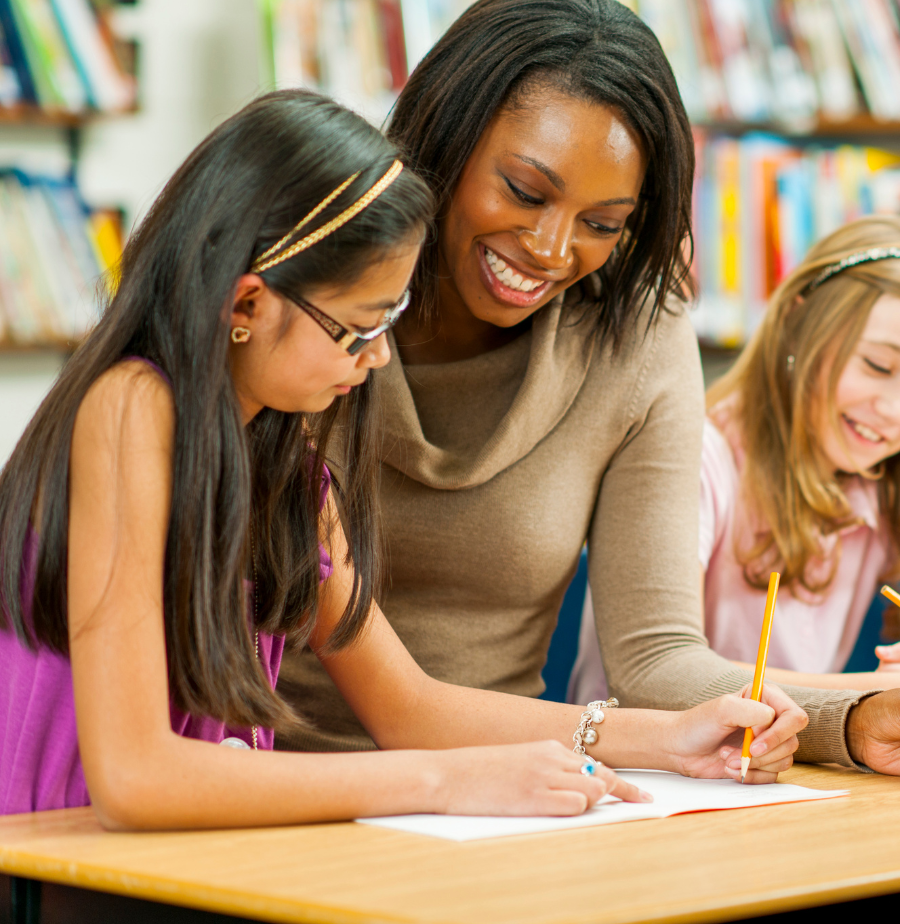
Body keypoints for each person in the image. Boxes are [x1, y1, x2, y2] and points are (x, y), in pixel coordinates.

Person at [0, 91, 816, 827]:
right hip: (61, 863)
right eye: (357, 328)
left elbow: (409, 706)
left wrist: (671, 740)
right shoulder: (132, 410)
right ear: (247, 303)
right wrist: (442, 783)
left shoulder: (289, 461)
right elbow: (137, 779)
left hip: (196, 865)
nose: (379, 359)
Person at [274, 0, 900, 780]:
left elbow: (659, 657)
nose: (550, 249)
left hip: (517, 788)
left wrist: (859, 721)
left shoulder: (634, 330)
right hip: (267, 778)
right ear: (445, 135)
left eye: (603, 222)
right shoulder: (302, 303)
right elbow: (399, 708)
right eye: (525, 191)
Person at [572, 217, 900, 708]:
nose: (896, 411)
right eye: (877, 366)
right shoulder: (695, 461)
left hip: (780, 773)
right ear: (795, 324)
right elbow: (661, 678)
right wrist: (887, 694)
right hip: (635, 774)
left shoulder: (880, 487)